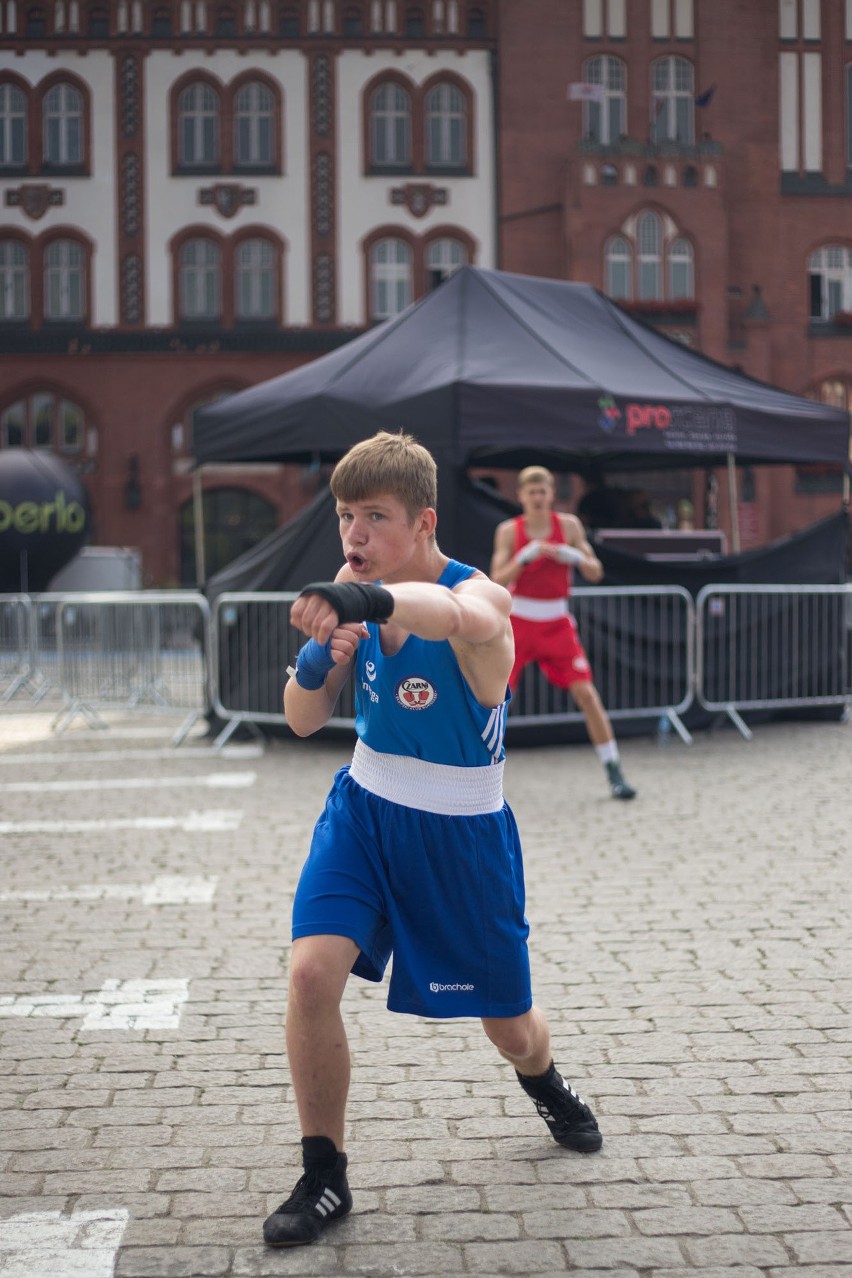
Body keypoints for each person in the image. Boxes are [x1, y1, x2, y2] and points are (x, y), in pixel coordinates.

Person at [263, 432, 602, 1249]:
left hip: (460, 835)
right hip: (365, 808)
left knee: (510, 1028)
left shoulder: (482, 597)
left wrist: (364, 607)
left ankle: (545, 1081)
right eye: (346, 516)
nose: (354, 536)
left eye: (374, 517)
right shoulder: (355, 586)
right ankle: (325, 1175)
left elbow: (453, 615)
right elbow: (303, 720)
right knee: (311, 975)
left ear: (424, 521)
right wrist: (321, 653)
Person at [490, 465, 636, 801]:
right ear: (521, 496)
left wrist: (576, 556)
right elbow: (496, 577)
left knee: (586, 694)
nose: (538, 498)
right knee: (495, 699)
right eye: (532, 492)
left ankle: (614, 770)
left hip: (557, 622)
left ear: (551, 493)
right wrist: (524, 558)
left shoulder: (568, 526)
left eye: (543, 491)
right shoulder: (510, 531)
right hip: (519, 623)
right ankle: (477, 774)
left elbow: (596, 571)